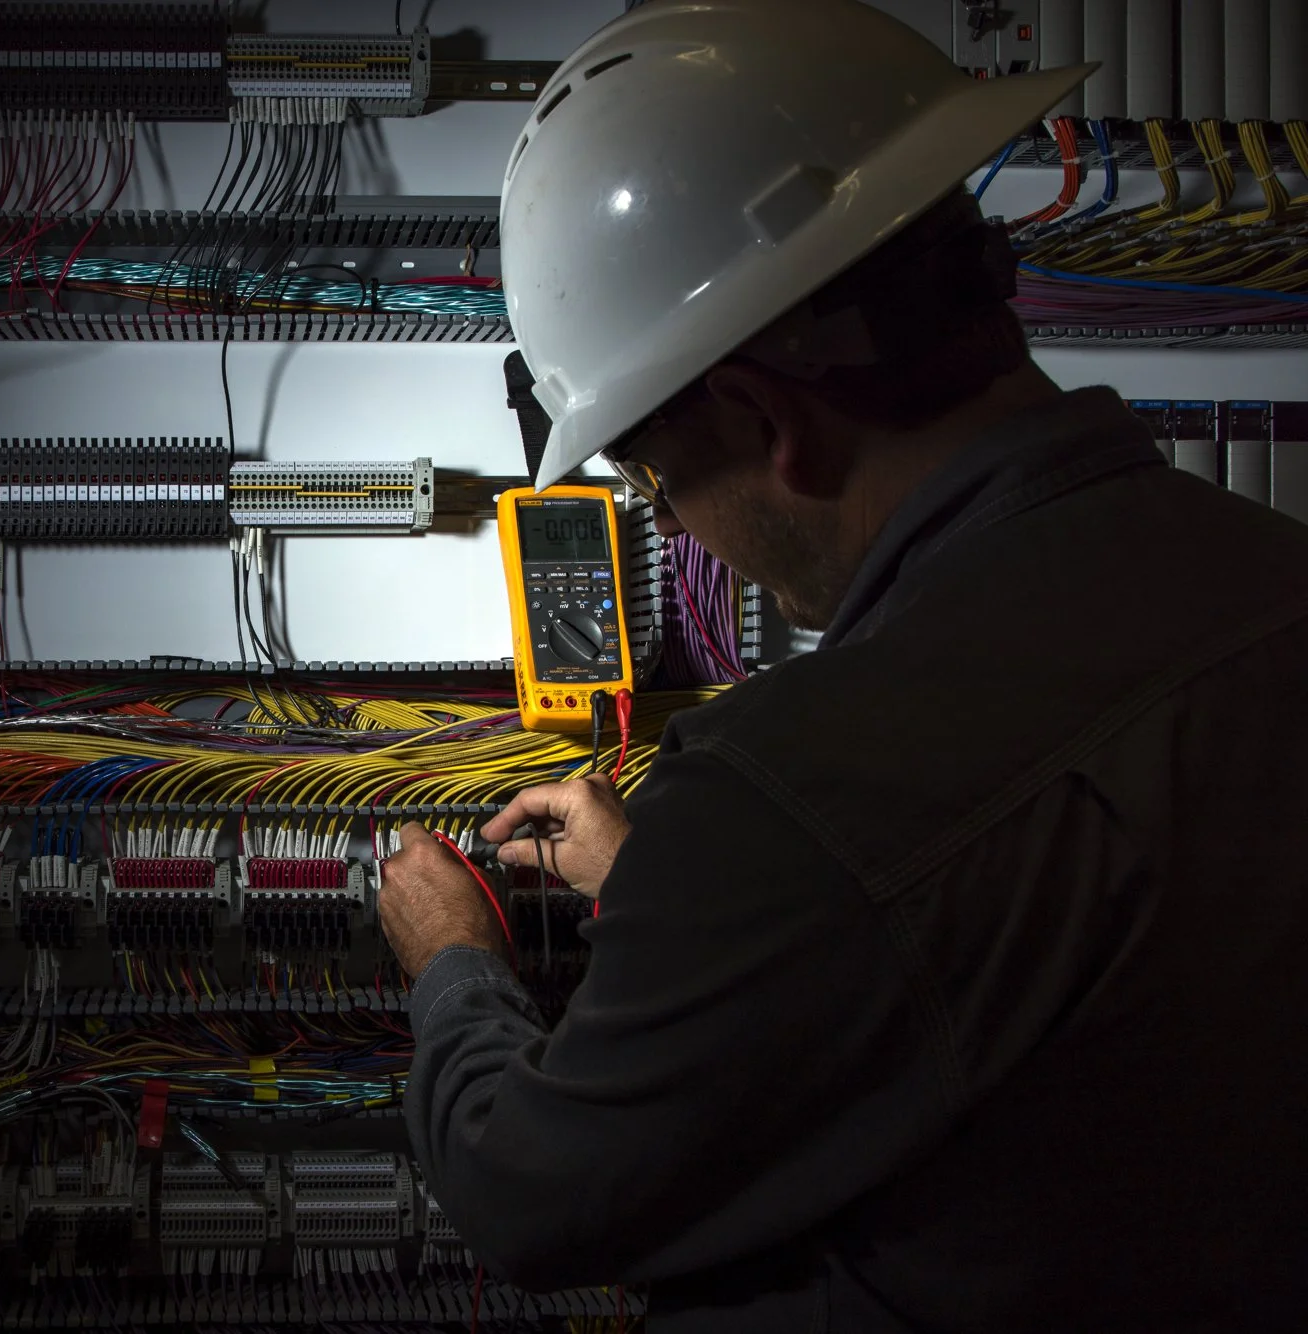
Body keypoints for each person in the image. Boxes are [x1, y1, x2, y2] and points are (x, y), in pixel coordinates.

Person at [375, 0, 1308, 1329]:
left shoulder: (788, 798)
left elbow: (538, 1195)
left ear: (769, 421)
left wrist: (454, 962)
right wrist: (681, 885)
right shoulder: (1278, 582)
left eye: (653, 480)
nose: (675, 519)